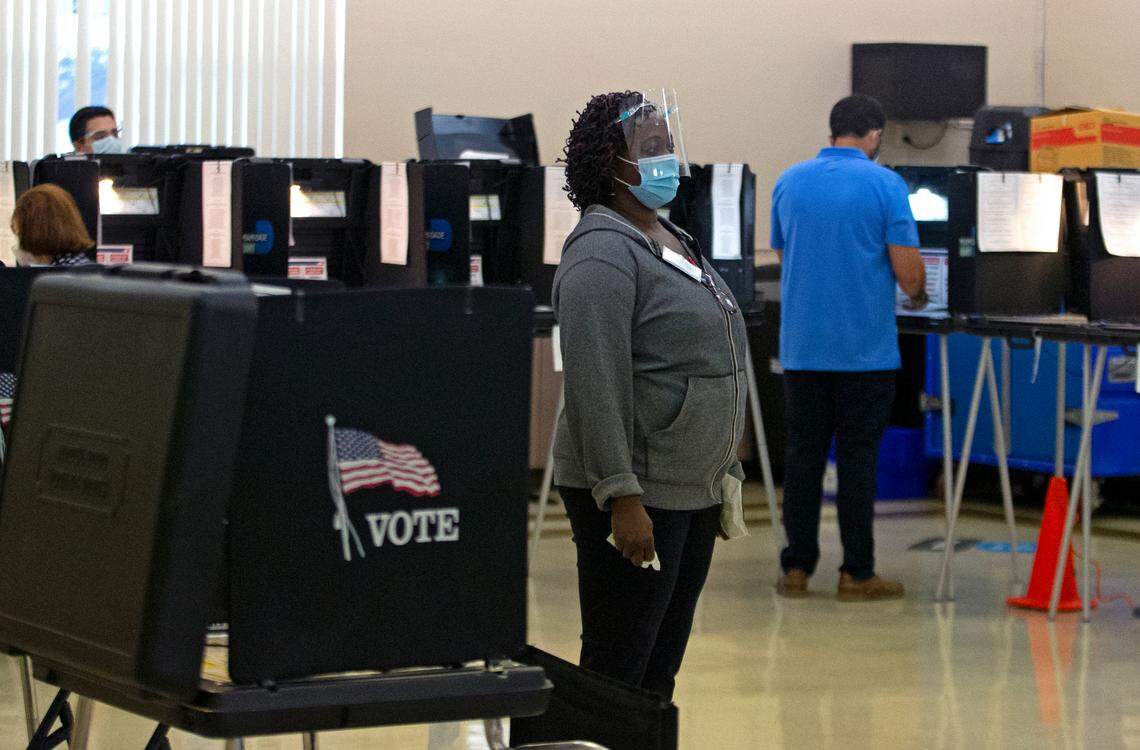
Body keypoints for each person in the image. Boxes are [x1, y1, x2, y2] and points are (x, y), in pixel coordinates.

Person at [552, 90, 747, 700]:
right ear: (610, 165)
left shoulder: (670, 236)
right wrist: (621, 494)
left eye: (668, 146)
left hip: (687, 485)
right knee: (617, 671)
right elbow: (595, 380)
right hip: (634, 490)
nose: (667, 160)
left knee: (658, 669)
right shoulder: (602, 251)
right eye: (651, 149)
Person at [770, 94, 926, 601]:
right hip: (864, 353)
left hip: (802, 350)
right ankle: (856, 573)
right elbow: (908, 276)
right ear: (875, 135)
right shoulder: (886, 184)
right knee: (857, 462)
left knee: (802, 457)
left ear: (833, 130)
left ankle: (796, 569)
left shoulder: (789, 182)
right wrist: (921, 293)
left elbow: (782, 251)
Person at [10, 185, 96, 266]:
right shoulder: (86, 269)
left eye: (19, 234)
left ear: (35, 233)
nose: (18, 245)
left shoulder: (57, 278)